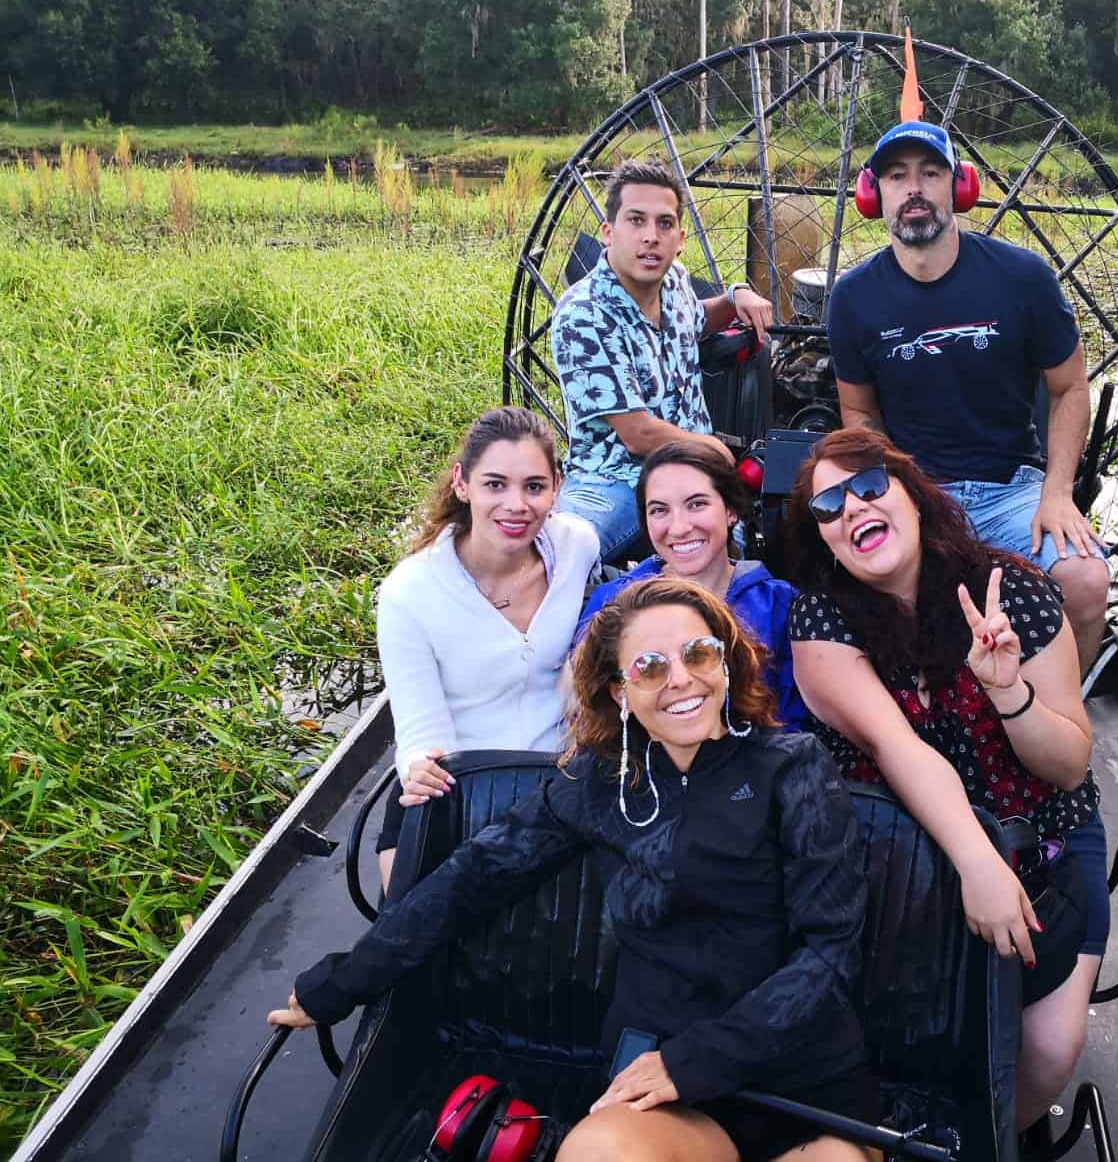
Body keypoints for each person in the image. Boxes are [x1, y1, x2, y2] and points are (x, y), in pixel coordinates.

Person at [270, 578, 880, 1162]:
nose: (681, 679)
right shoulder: (598, 781)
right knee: (597, 1152)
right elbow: (474, 877)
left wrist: (695, 1059)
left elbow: (828, 952)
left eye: (698, 652)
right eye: (649, 667)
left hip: (799, 1081)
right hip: (665, 1091)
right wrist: (343, 982)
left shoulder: (791, 766)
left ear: (725, 660)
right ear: (620, 691)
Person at [785, 427, 1104, 1134]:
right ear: (824, 539)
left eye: (868, 486)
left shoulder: (1010, 590)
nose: (851, 509)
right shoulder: (821, 617)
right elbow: (896, 745)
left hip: (1044, 835)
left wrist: (1009, 693)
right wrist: (975, 862)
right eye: (827, 507)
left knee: (1049, 1048)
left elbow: (1071, 762)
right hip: (903, 845)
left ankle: (989, 1139)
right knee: (891, 1030)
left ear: (911, 494)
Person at [827, 120, 1109, 676]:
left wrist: (1057, 494)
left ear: (959, 188)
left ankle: (1061, 726)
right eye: (897, 176)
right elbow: (858, 413)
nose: (914, 189)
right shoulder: (853, 298)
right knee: (862, 594)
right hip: (918, 492)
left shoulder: (1023, 277)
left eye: (930, 174)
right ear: (872, 193)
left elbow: (1070, 387)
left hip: (1013, 490)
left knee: (1084, 580)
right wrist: (893, 494)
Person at [371, 407, 599, 890]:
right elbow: (420, 731)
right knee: (419, 929)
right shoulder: (409, 593)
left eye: (534, 487)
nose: (516, 505)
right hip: (459, 783)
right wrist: (421, 771)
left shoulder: (577, 545)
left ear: (557, 487)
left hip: (558, 775)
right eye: (495, 484)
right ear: (462, 483)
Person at [553, 157, 775, 561]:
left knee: (735, 562)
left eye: (664, 224)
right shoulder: (582, 314)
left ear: (680, 237)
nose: (650, 237)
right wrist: (712, 449)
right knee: (563, 552)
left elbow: (695, 320)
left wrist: (734, 297)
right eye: (636, 221)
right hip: (612, 478)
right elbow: (637, 434)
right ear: (609, 232)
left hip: (691, 472)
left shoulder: (673, 282)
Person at [574, 440, 805, 729]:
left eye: (697, 504)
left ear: (731, 510)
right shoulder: (612, 603)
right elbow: (589, 716)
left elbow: (795, 725)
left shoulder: (779, 605)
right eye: (659, 510)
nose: (680, 527)